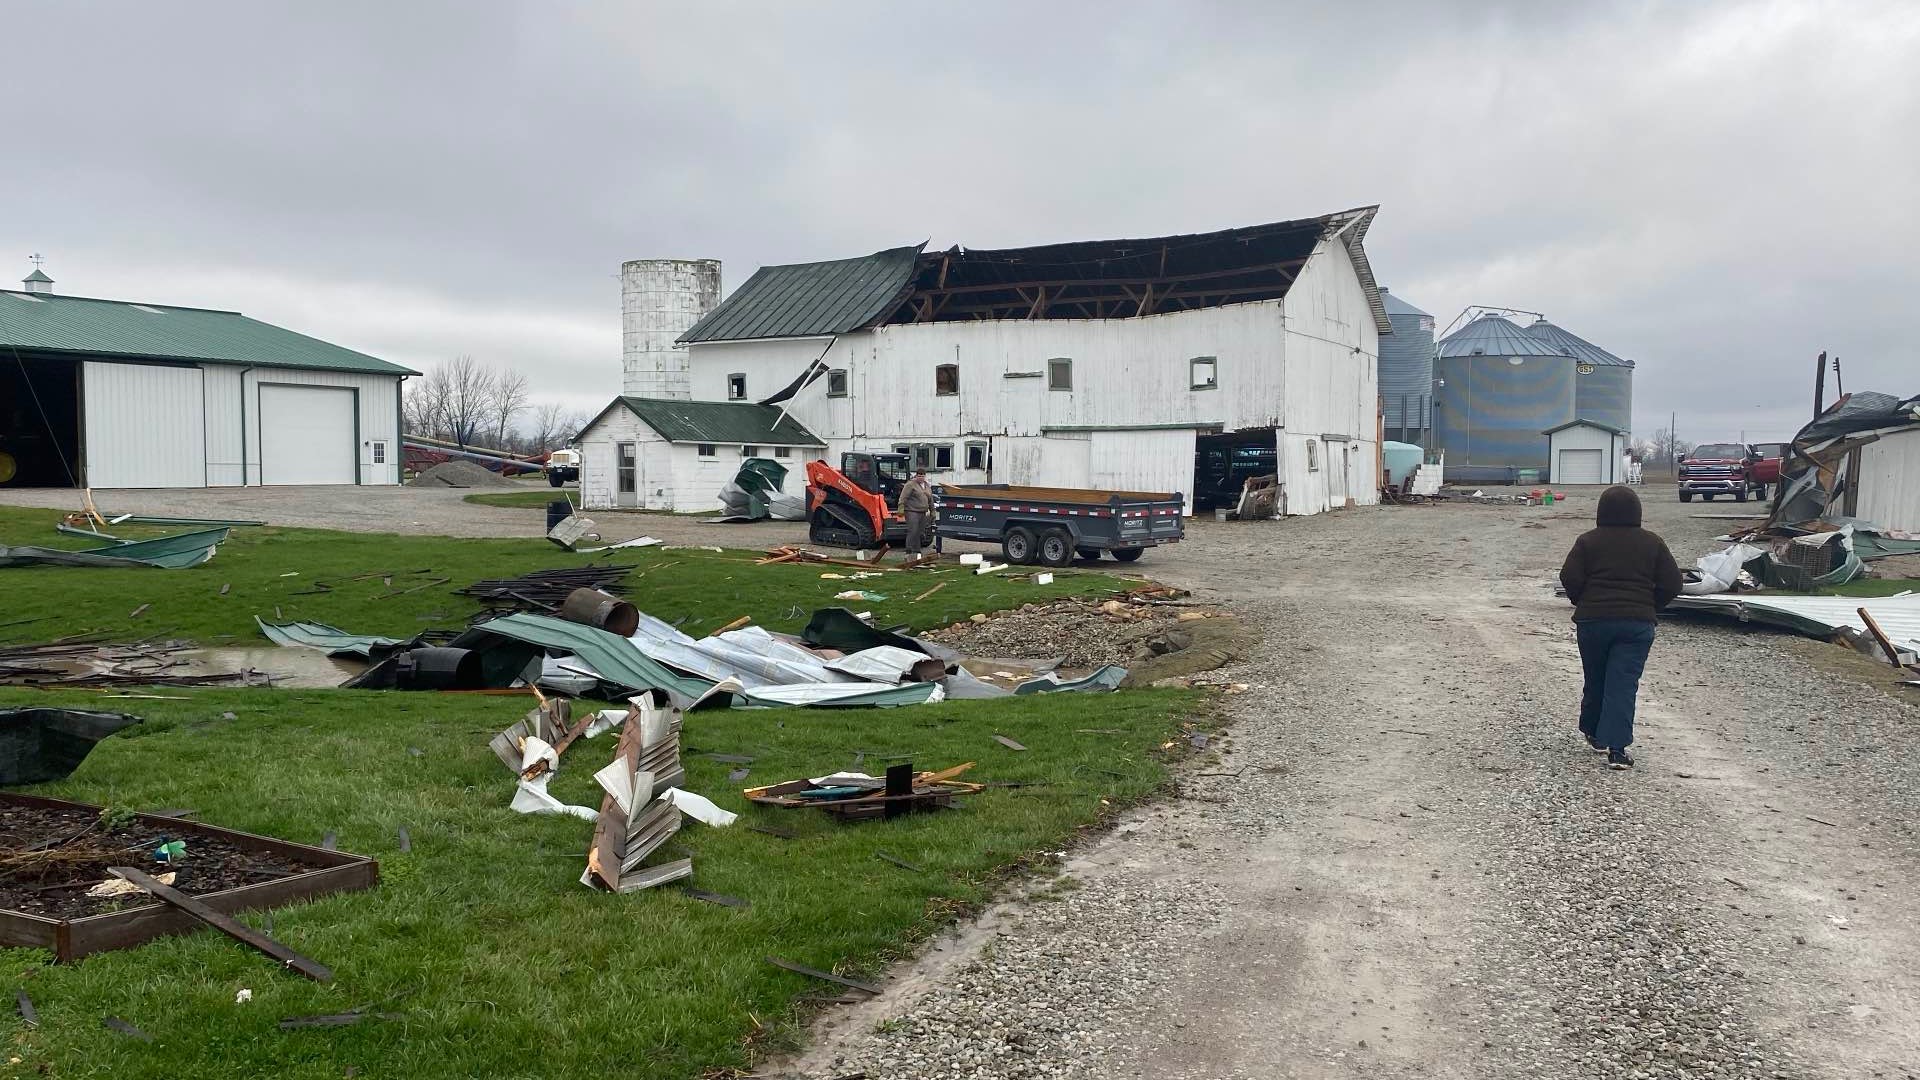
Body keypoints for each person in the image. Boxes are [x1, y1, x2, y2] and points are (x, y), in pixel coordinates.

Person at [1558, 485, 1682, 770]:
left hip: (1593, 623)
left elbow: (1569, 576)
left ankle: (1593, 731)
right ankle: (1617, 749)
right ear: (1637, 511)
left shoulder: (1587, 541)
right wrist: (1650, 606)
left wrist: (1583, 601)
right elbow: (1673, 583)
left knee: (1596, 677)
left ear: (1601, 511)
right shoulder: (1653, 542)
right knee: (1623, 684)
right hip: (1636, 625)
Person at [898, 467, 933, 555]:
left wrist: (933, 510)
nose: (921, 477)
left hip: (923, 511)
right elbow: (903, 497)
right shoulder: (910, 484)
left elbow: (930, 499)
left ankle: (917, 550)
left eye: (922, 476)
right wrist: (901, 508)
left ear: (925, 476)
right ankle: (909, 550)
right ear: (916, 476)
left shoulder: (927, 485)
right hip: (912, 511)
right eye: (919, 476)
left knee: (920, 532)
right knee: (913, 530)